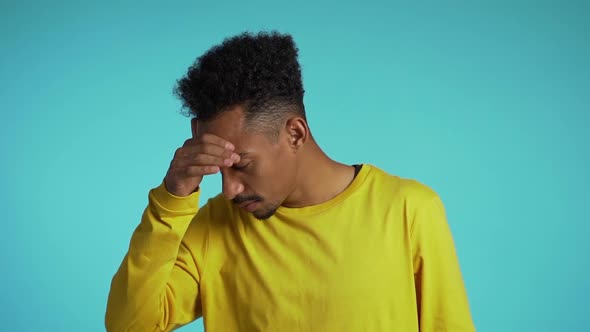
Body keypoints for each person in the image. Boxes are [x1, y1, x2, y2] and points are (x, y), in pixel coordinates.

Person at [105, 31, 476, 332]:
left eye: (243, 164)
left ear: (295, 134)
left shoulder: (408, 210)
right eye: (219, 171)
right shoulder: (215, 226)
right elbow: (130, 327)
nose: (229, 189)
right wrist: (172, 199)